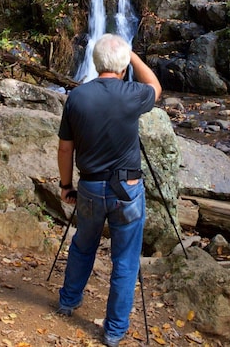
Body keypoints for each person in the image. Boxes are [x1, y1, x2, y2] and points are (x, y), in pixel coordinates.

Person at [55, 33, 162, 347]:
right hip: (127, 190)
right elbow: (156, 87)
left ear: (95, 62)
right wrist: (134, 56)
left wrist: (65, 185)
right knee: (126, 260)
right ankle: (114, 332)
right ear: (124, 64)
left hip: (89, 187)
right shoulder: (132, 94)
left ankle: (68, 301)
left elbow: (65, 149)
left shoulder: (77, 97)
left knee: (82, 246)